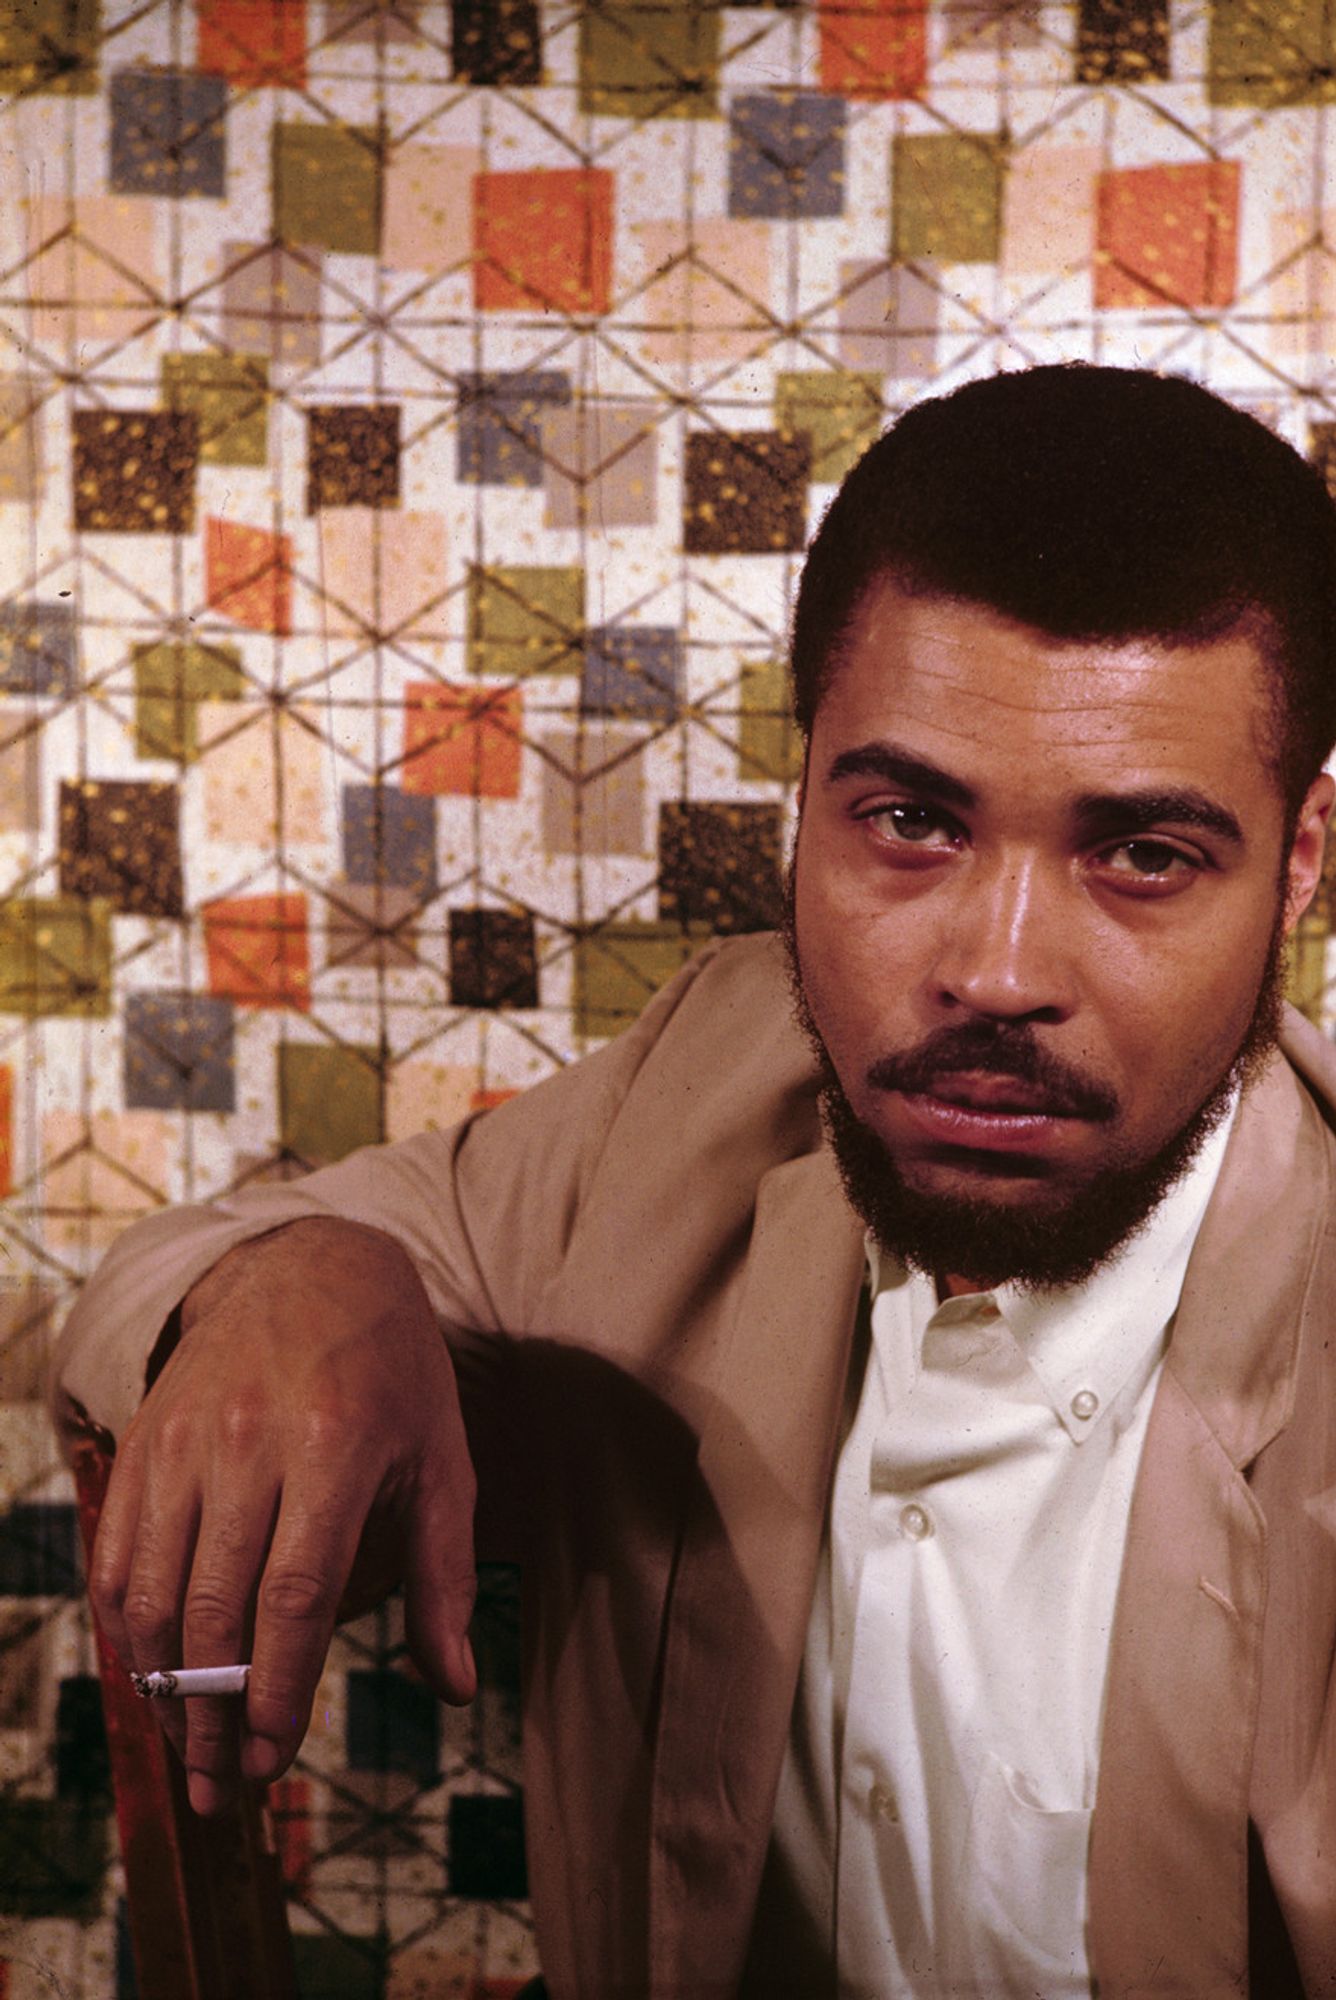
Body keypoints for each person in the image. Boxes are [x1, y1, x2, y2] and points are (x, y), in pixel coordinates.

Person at [53, 363, 1336, 1998]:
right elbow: (144, 1290)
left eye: (1144, 855)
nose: (999, 975)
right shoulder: (699, 1096)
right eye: (911, 821)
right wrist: (297, 1275)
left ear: (1299, 859)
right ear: (802, 801)